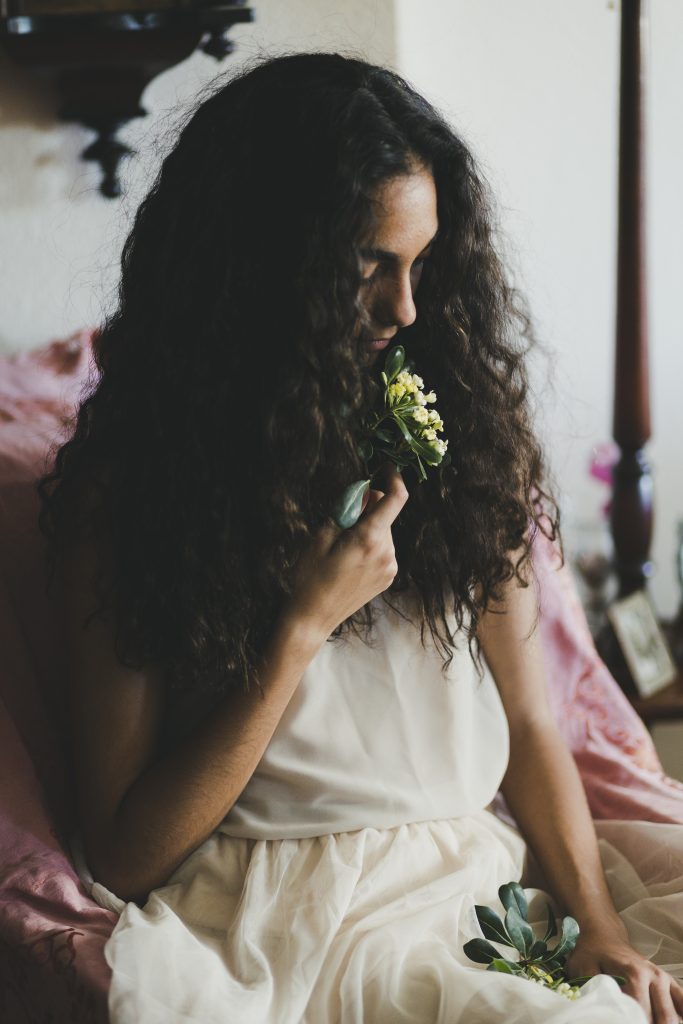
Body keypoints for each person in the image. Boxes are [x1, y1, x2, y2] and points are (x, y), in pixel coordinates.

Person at [38, 52, 683, 1024]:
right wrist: (301, 623)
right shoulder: (129, 495)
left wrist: (595, 922)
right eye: (365, 267)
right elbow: (124, 852)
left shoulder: (458, 437)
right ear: (260, 266)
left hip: (477, 878)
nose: (405, 309)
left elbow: (532, 722)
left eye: (421, 264)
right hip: (287, 914)